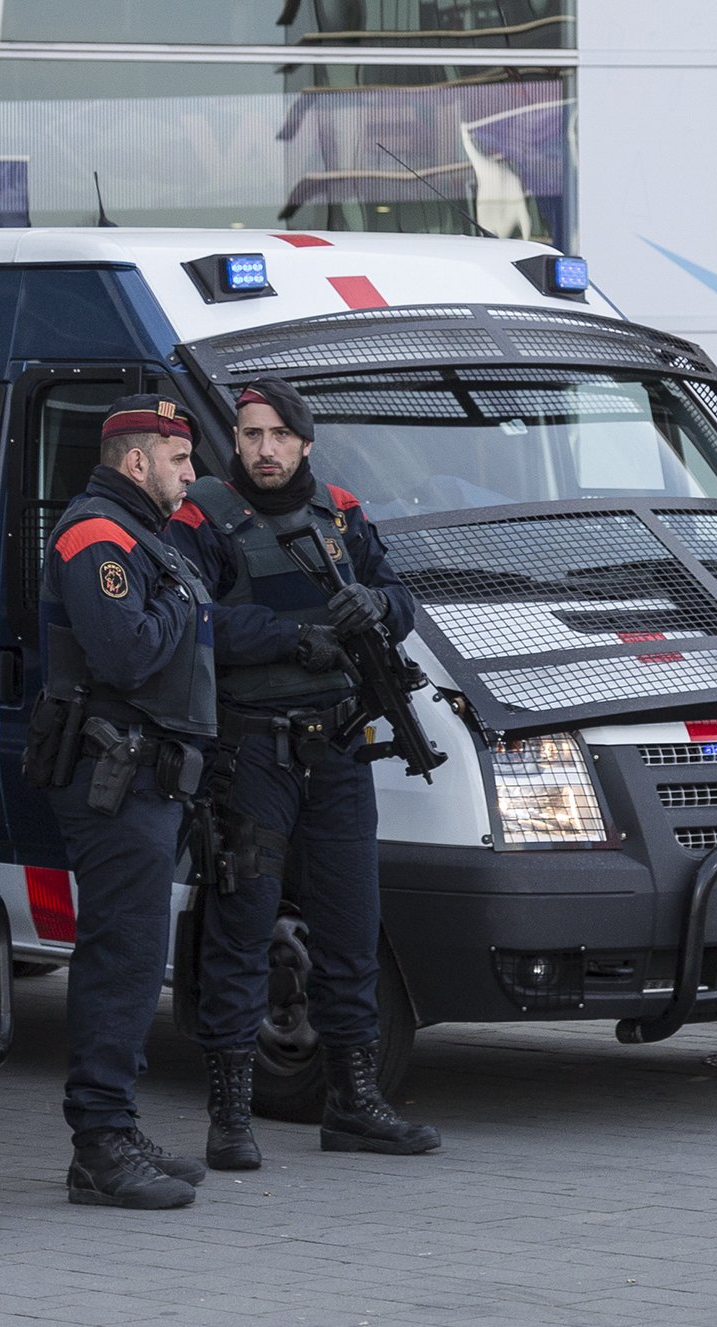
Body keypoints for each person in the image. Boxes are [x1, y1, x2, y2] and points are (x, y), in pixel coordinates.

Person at [166, 378, 441, 1171]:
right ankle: (230, 1117)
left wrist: (374, 610)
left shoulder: (343, 512)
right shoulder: (205, 516)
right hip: (254, 754)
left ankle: (353, 1104)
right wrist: (293, 640)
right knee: (242, 931)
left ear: (305, 442)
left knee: (351, 931)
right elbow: (195, 618)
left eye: (278, 435)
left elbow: (399, 594)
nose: (263, 449)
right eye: (250, 434)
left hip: (341, 751)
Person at [31, 394, 215, 1209]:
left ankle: (118, 1123)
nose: (193, 473)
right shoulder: (97, 535)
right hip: (116, 773)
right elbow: (127, 650)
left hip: (150, 773)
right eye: (180, 459)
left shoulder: (143, 534)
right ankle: (100, 1146)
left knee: (138, 958)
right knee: (121, 956)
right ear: (137, 461)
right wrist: (180, 599)